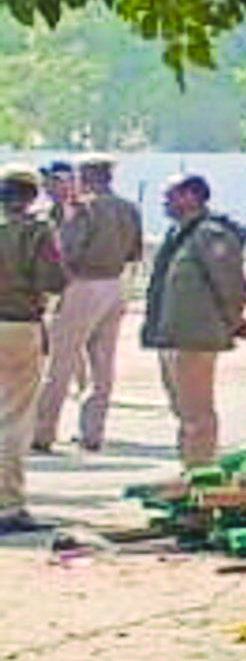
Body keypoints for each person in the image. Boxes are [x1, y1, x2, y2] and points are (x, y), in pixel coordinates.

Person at [138, 171, 246, 470]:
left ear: (192, 197)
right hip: (172, 335)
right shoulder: (180, 234)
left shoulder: (210, 235)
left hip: (196, 337)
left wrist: (232, 321)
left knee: (197, 414)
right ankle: (189, 467)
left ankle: (200, 473)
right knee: (182, 410)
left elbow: (231, 285)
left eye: (171, 195)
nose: (165, 202)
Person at [37, 156, 142, 460]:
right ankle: (92, 432)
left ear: (87, 176)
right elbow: (134, 252)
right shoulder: (128, 208)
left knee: (61, 360)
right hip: (114, 284)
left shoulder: (85, 209)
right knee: (102, 363)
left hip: (83, 283)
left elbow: (68, 251)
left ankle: (43, 431)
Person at [0, 172, 60, 534]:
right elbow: (52, 279)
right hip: (18, 324)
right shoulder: (36, 231)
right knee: (13, 418)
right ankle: (8, 504)